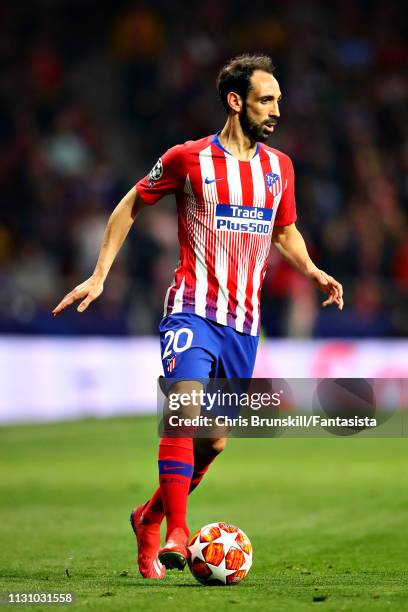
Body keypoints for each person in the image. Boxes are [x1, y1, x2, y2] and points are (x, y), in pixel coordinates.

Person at [52, 54, 343, 579]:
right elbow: (129, 205)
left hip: (243, 323)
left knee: (214, 441)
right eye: (266, 100)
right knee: (183, 411)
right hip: (191, 309)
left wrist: (313, 269)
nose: (277, 110)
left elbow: (284, 231)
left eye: (278, 99)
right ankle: (178, 534)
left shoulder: (281, 168)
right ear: (236, 102)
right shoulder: (188, 159)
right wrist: (99, 275)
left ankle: (149, 517)